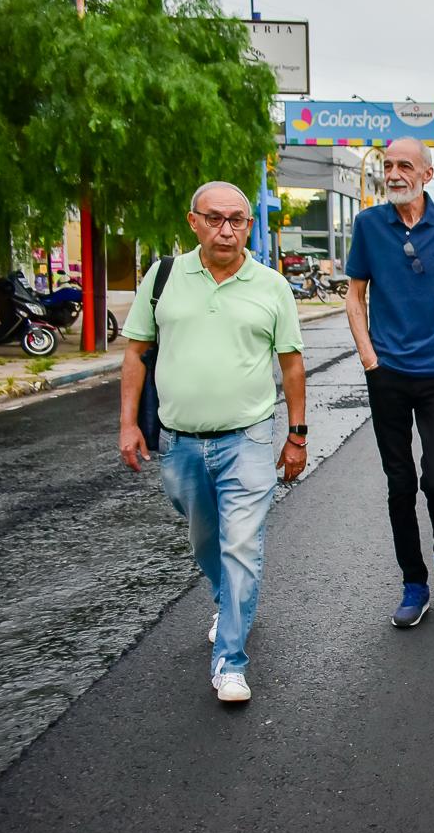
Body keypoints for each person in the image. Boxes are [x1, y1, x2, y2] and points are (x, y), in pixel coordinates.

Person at [118, 181, 305, 703]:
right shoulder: (163, 278)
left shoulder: (271, 286)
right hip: (179, 442)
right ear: (193, 221)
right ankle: (229, 601)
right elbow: (135, 354)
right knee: (205, 541)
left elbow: (291, 363)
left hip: (246, 439)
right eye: (216, 218)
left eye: (238, 220)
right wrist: (129, 424)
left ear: (250, 225)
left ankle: (230, 661)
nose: (228, 230)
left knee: (241, 544)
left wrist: (297, 434)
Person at [344, 138, 434, 629]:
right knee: (399, 483)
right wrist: (368, 356)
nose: (394, 173)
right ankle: (414, 581)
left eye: (405, 165)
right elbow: (354, 295)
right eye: (388, 165)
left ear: (427, 173)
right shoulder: (367, 225)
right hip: (388, 374)